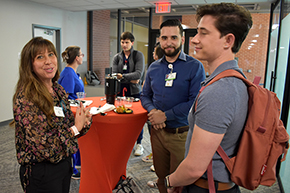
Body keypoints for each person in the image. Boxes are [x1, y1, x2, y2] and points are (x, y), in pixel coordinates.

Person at [164, 3, 252, 193]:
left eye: (203, 33)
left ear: (228, 41)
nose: (194, 39)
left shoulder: (220, 91)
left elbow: (195, 167)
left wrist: (169, 182)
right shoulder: (233, 79)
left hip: (207, 187)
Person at [11, 37, 92, 193]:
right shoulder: (27, 97)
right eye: (40, 57)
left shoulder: (57, 90)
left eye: (51, 54)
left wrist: (84, 124)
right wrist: (76, 128)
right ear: (30, 65)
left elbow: (67, 128)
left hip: (63, 164)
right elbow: (45, 145)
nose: (48, 61)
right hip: (41, 172)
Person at [141, 19, 205, 193]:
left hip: (181, 135)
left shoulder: (194, 67)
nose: (168, 42)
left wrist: (166, 115)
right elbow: (145, 95)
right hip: (157, 133)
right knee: (162, 178)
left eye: (174, 37)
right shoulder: (153, 67)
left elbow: (195, 101)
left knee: (179, 182)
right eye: (164, 38)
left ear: (182, 40)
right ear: (159, 40)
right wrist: (153, 111)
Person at [112, 31, 145, 156]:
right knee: (121, 117)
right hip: (120, 92)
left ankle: (139, 144)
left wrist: (123, 76)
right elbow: (115, 75)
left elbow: (138, 74)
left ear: (132, 42)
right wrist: (129, 78)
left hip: (134, 92)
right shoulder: (117, 57)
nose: (124, 45)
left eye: (127, 42)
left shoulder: (138, 55)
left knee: (136, 118)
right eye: (122, 42)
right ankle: (124, 142)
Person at [58, 45, 85, 179]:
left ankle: (77, 165)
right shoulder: (68, 73)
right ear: (76, 58)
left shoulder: (72, 72)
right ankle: (73, 169)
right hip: (70, 113)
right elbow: (66, 98)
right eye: (81, 55)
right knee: (73, 139)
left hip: (76, 109)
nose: (83, 57)